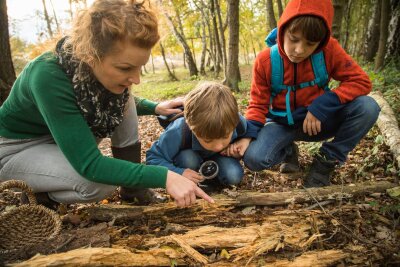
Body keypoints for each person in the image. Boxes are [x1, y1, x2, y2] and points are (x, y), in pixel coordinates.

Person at [0, 0, 213, 208]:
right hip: (16, 150)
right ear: (91, 54)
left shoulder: (93, 73)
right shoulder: (47, 75)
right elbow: (91, 165)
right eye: (125, 68)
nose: (136, 78)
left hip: (61, 138)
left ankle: (133, 192)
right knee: (99, 184)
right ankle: (43, 196)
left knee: (124, 97)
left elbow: (113, 100)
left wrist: (155, 107)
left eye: (140, 68)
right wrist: (166, 176)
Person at [228, 0, 380, 187]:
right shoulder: (265, 60)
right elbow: (258, 104)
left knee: (368, 106)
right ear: (283, 30)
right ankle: (288, 151)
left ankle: (326, 161)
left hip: (320, 122)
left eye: (310, 44)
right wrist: (248, 136)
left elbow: (361, 81)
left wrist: (321, 106)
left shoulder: (329, 50)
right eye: (294, 39)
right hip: (282, 124)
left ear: (321, 42)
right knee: (254, 159)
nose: (299, 50)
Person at [146, 82, 256, 188]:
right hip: (189, 157)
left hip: (219, 158)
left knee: (233, 175)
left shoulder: (234, 120)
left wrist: (245, 140)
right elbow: (153, 158)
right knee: (188, 159)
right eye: (208, 140)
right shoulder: (179, 130)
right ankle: (190, 179)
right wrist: (179, 172)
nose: (218, 146)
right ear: (191, 127)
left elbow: (252, 128)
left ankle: (209, 181)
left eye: (225, 137)